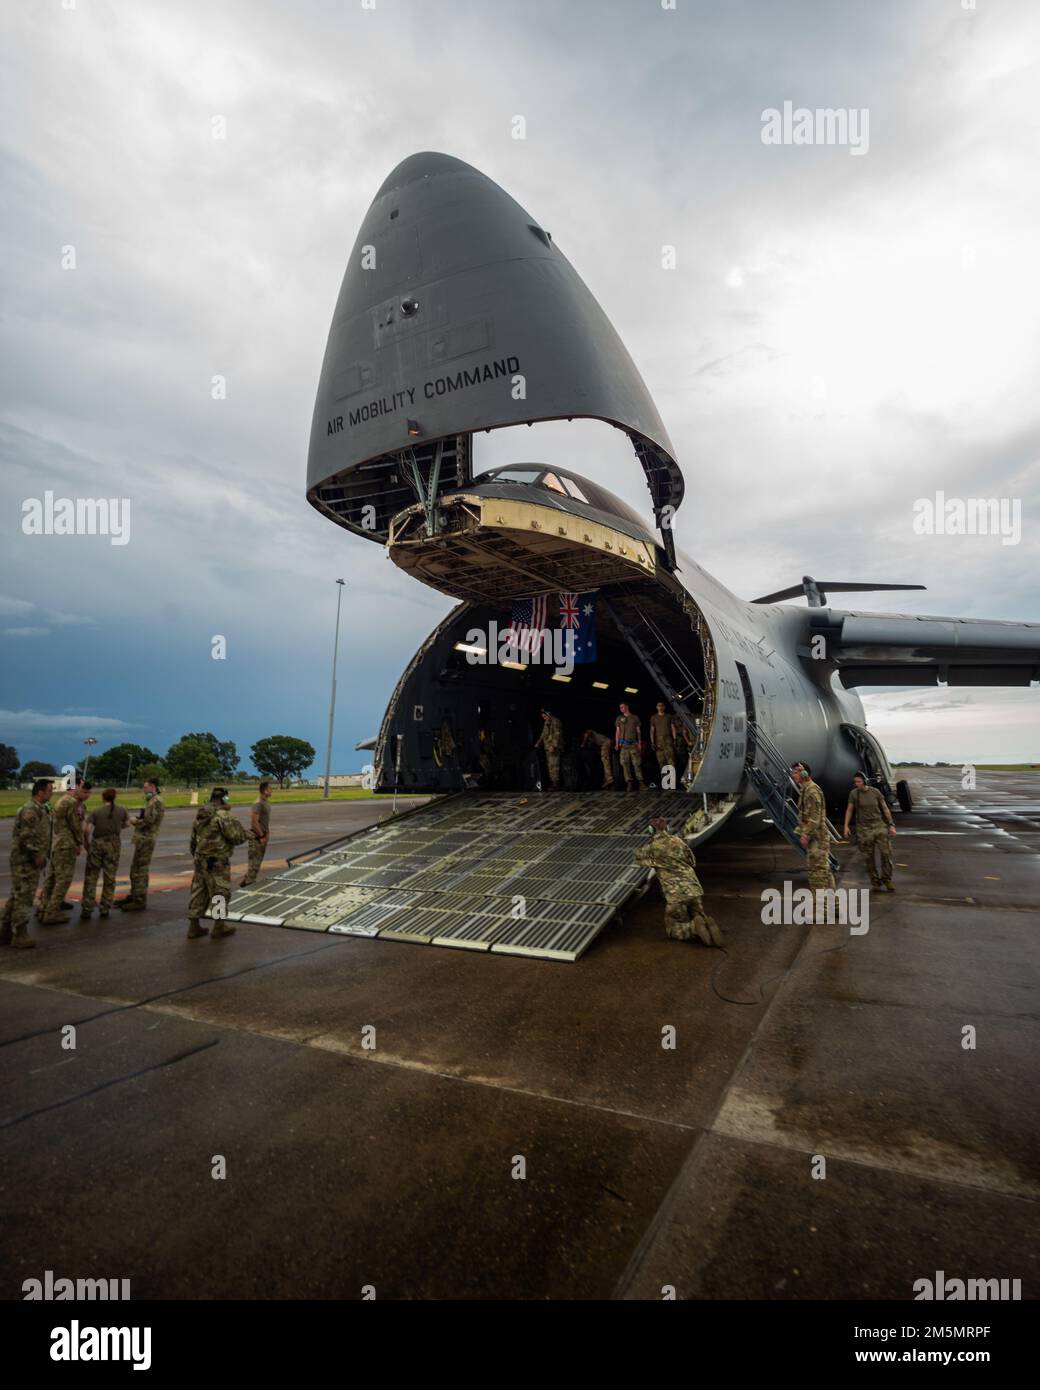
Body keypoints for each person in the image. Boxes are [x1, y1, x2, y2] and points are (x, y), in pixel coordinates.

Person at [634, 815, 724, 945]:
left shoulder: (651, 848)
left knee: (674, 926)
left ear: (650, 830)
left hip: (676, 894)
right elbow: (692, 861)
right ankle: (703, 921)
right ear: (668, 828)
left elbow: (638, 858)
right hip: (694, 889)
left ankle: (693, 928)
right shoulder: (679, 841)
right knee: (696, 911)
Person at [187, 787, 247, 940]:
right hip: (217, 861)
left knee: (198, 890)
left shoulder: (201, 815)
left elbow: (193, 840)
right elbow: (235, 837)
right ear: (224, 798)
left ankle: (194, 926)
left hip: (200, 859)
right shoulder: (223, 815)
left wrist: (197, 855)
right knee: (220, 892)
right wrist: (245, 834)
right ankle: (219, 926)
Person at [1, 778, 53, 949]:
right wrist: (37, 855)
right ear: (40, 792)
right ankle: (20, 933)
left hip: (26, 859)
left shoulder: (39, 809)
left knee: (17, 895)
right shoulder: (30, 810)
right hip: (25, 860)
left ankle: (5, 931)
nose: (51, 793)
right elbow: (26, 837)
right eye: (49, 790)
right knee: (24, 895)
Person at [40, 781, 92, 925]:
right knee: (63, 880)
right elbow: (75, 825)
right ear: (75, 787)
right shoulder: (71, 802)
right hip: (66, 845)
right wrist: (80, 842)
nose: (85, 792)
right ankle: (51, 911)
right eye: (82, 788)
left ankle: (44, 907)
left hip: (58, 844)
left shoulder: (64, 800)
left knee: (52, 878)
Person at [792, 761, 835, 912]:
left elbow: (815, 817)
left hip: (816, 838)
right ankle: (833, 907)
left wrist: (805, 834)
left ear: (804, 774)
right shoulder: (805, 789)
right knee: (825, 872)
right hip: (816, 837)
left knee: (816, 874)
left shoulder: (812, 791)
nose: (794, 775)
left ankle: (822, 911)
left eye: (796, 772)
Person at [843, 772, 897, 891]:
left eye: (859, 782)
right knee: (869, 857)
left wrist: (891, 824)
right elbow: (849, 810)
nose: (857, 784)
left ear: (865, 781)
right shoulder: (853, 794)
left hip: (878, 826)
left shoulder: (875, 792)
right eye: (855, 782)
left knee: (886, 853)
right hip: (864, 828)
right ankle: (875, 882)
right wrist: (846, 826)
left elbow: (885, 808)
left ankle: (887, 879)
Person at [81, 789, 130, 919]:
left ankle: (87, 907)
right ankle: (105, 907)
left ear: (103, 798)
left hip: (97, 844)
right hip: (113, 844)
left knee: (91, 876)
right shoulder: (122, 810)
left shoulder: (96, 812)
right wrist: (116, 827)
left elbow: (87, 830)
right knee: (110, 877)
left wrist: (87, 843)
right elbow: (127, 824)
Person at [118, 778, 165, 912]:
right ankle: (134, 894)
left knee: (141, 870)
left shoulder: (156, 802)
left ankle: (139, 900)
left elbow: (149, 821)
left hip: (146, 839)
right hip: (142, 838)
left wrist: (134, 821)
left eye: (145, 787)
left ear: (153, 787)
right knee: (135, 869)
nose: (144, 790)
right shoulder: (151, 801)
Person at [241, 781, 273, 886]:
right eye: (270, 788)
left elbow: (264, 821)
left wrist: (267, 833)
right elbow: (254, 822)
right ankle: (249, 884)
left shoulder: (265, 802)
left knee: (257, 862)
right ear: (265, 790)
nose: (272, 790)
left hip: (263, 835)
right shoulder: (258, 803)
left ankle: (246, 881)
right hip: (256, 837)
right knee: (254, 863)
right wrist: (261, 836)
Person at [615, 702, 645, 791]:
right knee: (625, 764)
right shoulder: (619, 718)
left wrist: (639, 743)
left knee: (637, 764)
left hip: (633, 745)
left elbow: (638, 731)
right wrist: (617, 744)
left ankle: (641, 783)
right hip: (623, 745)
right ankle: (629, 783)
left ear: (627, 707)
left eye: (623, 707)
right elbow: (617, 732)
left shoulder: (634, 718)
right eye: (620, 707)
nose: (621, 709)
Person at [534, 708, 564, 790]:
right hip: (547, 747)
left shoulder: (556, 722)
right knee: (550, 766)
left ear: (549, 714)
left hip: (554, 747)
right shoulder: (546, 723)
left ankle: (556, 784)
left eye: (545, 716)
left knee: (554, 765)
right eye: (543, 717)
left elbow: (557, 734)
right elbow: (543, 734)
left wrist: (553, 745)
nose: (544, 718)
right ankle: (553, 783)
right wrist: (538, 743)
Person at [650, 701, 677, 786]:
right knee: (661, 762)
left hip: (668, 740)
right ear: (656, 707)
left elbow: (673, 728)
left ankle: (672, 782)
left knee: (671, 762)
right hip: (658, 741)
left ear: (664, 707)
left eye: (662, 705)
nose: (660, 707)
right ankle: (665, 783)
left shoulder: (669, 716)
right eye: (658, 706)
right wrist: (652, 742)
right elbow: (652, 730)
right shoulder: (653, 717)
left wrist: (675, 739)